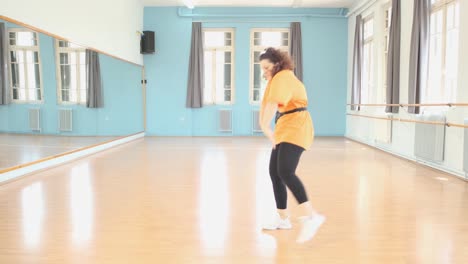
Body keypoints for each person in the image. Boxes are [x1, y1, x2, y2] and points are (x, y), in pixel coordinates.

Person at [259, 47, 325, 243]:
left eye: (267, 68)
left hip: (297, 126)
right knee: (274, 172)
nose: (264, 72)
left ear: (277, 65)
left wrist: (263, 126)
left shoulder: (284, 77)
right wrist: (266, 127)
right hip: (285, 126)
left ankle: (312, 216)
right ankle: (283, 218)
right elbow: (268, 104)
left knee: (285, 171)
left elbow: (273, 103)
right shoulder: (276, 79)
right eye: (262, 69)